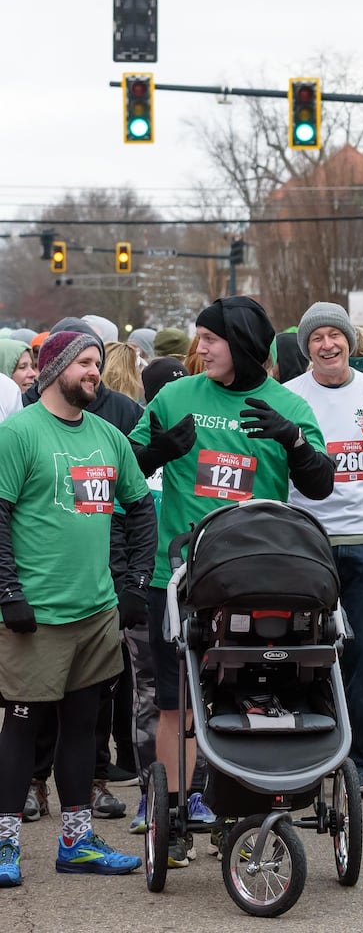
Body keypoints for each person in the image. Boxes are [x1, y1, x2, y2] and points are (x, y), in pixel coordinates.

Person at [129, 296, 334, 866]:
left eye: (211, 339)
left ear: (242, 342)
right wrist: (157, 450)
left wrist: (292, 440)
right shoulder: (176, 396)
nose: (201, 349)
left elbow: (321, 487)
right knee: (177, 707)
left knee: (248, 696)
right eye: (199, 338)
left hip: (260, 580)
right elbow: (129, 468)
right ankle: (170, 811)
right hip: (182, 577)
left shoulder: (285, 404)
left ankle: (237, 807)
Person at [0, 330, 155, 887]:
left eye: (97, 362)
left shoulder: (109, 437)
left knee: (83, 731)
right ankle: (4, 845)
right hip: (35, 615)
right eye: (84, 363)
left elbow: (140, 510)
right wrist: (8, 593)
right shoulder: (18, 434)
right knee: (21, 728)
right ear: (54, 369)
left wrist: (134, 582)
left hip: (96, 612)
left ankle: (77, 842)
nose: (95, 371)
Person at [284, 303, 363, 794]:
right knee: (299, 653)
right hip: (305, 544)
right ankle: (304, 755)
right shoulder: (288, 396)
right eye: (317, 338)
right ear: (306, 347)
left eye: (336, 335)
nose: (328, 345)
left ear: (351, 343)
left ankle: (359, 760)